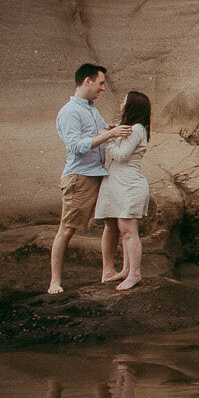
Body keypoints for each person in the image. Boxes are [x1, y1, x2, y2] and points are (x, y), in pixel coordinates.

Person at [50, 64, 130, 295]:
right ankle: (55, 281)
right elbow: (76, 147)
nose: (103, 88)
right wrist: (109, 134)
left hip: (98, 174)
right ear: (87, 81)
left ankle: (107, 271)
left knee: (112, 221)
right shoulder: (69, 112)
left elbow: (101, 132)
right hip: (79, 177)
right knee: (67, 229)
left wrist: (113, 129)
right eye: (100, 83)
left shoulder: (92, 109)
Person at [93, 93, 152, 291]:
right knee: (123, 228)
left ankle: (135, 273)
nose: (120, 105)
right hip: (122, 183)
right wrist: (114, 131)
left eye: (124, 102)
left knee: (128, 231)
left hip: (130, 184)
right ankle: (126, 270)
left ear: (131, 107)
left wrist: (108, 138)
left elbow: (121, 156)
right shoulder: (131, 128)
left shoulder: (136, 129)